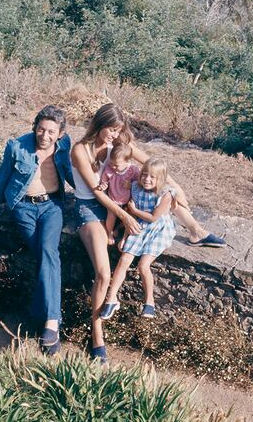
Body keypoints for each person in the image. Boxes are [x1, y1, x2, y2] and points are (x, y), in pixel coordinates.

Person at [71, 103, 224, 364]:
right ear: (99, 124)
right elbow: (97, 192)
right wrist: (126, 216)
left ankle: (196, 231)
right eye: (110, 129)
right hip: (93, 209)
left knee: (164, 196)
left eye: (119, 130)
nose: (114, 135)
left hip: (118, 202)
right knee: (103, 273)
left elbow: (152, 167)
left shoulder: (118, 145)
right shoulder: (80, 150)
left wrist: (177, 188)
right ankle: (97, 334)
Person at [0, 104, 74, 355]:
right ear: (34, 127)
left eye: (51, 131)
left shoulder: (64, 146)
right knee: (44, 255)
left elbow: (74, 175)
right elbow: (4, 175)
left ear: (60, 133)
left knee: (48, 251)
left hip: (52, 207)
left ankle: (51, 322)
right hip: (24, 209)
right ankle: (42, 319)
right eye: (41, 129)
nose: (45, 135)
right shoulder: (17, 146)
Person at [100, 157, 176, 320]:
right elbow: (129, 215)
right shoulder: (135, 187)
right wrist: (125, 235)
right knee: (124, 260)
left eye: (152, 177)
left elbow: (153, 218)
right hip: (137, 225)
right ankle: (111, 299)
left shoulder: (165, 194)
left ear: (161, 179)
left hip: (158, 229)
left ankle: (149, 302)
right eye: (144, 175)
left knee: (143, 265)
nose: (146, 179)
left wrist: (133, 211)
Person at [97, 143, 140, 245]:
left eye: (117, 165)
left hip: (128, 199)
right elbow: (104, 181)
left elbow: (139, 183)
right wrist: (103, 185)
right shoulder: (109, 169)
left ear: (127, 161)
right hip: (113, 199)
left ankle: (119, 228)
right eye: (112, 163)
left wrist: (131, 184)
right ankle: (110, 232)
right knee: (111, 215)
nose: (114, 167)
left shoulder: (132, 170)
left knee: (131, 213)